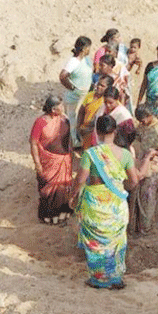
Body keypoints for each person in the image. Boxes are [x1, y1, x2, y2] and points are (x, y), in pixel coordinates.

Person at [71, 115, 152, 289]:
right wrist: (121, 187)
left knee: (97, 243)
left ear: (97, 132)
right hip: (116, 204)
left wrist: (73, 195)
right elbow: (133, 181)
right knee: (115, 241)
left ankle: (99, 278)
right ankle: (115, 278)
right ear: (115, 132)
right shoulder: (125, 155)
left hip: (95, 204)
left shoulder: (90, 154)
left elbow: (80, 180)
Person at [29, 95, 74, 226]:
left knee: (63, 187)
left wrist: (70, 155)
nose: (63, 107)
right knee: (48, 189)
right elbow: (33, 143)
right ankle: (48, 217)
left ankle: (63, 214)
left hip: (64, 160)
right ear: (54, 109)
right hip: (48, 162)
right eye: (60, 105)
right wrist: (37, 163)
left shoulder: (64, 119)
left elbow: (68, 139)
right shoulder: (40, 122)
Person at [130, 104, 158, 235]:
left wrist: (154, 153)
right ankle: (136, 225)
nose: (142, 123)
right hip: (142, 163)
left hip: (153, 167)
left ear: (150, 116)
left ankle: (145, 227)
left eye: (143, 120)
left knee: (148, 197)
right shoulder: (143, 126)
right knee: (138, 194)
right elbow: (137, 136)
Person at [59, 36, 93, 149]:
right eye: (88, 48)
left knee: (80, 118)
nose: (90, 50)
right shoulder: (73, 62)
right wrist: (72, 87)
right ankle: (74, 143)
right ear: (84, 49)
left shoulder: (85, 59)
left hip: (83, 95)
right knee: (72, 120)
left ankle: (78, 140)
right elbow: (63, 76)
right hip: (74, 97)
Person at [76, 74, 114, 151]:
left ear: (108, 88)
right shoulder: (90, 95)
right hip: (84, 132)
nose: (99, 87)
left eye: (102, 86)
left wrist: (88, 129)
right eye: (98, 84)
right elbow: (81, 111)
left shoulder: (107, 102)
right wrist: (79, 126)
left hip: (97, 134)